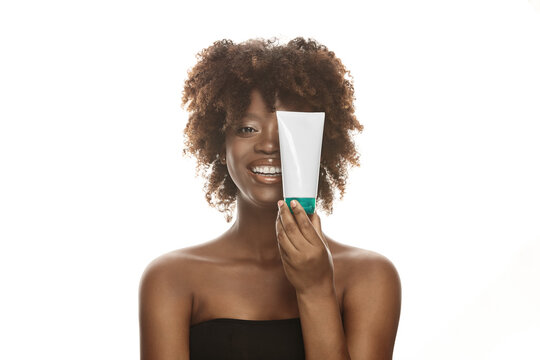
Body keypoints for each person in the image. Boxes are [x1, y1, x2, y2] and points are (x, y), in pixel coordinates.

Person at [139, 37, 401, 360]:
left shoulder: (370, 277)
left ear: (319, 147)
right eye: (247, 129)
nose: (268, 145)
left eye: (288, 132)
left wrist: (316, 289)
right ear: (221, 146)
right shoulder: (171, 280)